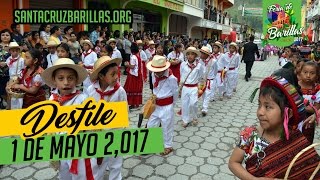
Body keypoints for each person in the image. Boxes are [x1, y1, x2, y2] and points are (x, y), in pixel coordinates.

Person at [229, 76, 320, 179]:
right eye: (259, 105)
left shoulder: (297, 140)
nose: (260, 112)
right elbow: (233, 162)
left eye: (268, 107)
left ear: (288, 113)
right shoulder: (249, 135)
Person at [40, 58, 96, 179]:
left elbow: (91, 124)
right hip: (60, 147)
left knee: (80, 175)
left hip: (78, 148)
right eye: (61, 78)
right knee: (63, 174)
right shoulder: (51, 100)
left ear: (76, 80)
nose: (66, 82)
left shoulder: (82, 99)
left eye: (70, 78)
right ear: (54, 81)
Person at [87, 56, 125, 180]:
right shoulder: (91, 90)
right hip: (97, 133)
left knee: (115, 162)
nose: (116, 77)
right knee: (97, 162)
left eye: (117, 73)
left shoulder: (120, 91)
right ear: (101, 77)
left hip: (115, 132)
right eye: (112, 74)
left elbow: (124, 113)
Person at [146, 55, 178, 156]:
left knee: (166, 126)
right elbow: (154, 88)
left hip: (167, 106)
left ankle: (168, 145)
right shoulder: (153, 75)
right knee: (151, 124)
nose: (156, 72)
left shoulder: (171, 78)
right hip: (156, 105)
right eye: (154, 70)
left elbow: (175, 92)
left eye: (158, 70)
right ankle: (151, 144)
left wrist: (172, 105)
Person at [180, 47, 204, 128]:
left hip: (194, 87)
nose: (190, 56)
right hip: (185, 87)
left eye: (192, 54)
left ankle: (194, 117)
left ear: (195, 56)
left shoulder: (199, 65)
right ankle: (185, 120)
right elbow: (181, 75)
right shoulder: (183, 64)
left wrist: (200, 87)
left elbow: (201, 76)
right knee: (184, 104)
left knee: (193, 104)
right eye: (188, 54)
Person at [298, 61, 320, 144]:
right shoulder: (295, 86)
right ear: (300, 73)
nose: (308, 75)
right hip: (293, 119)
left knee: (306, 141)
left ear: (317, 75)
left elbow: (315, 108)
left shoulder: (317, 89)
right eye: (305, 72)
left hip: (308, 120)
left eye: (312, 73)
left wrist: (300, 107)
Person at [123, 43, 143, 109]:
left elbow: (132, 66)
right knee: (136, 88)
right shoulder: (138, 56)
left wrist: (127, 65)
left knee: (131, 88)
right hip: (138, 74)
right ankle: (136, 103)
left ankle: (132, 103)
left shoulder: (133, 57)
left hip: (133, 75)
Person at [199, 46, 217, 116]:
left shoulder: (213, 61)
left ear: (207, 55)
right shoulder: (200, 61)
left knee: (207, 94)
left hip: (210, 81)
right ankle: (204, 106)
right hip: (202, 81)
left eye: (203, 54)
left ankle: (205, 109)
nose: (201, 55)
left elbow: (215, 70)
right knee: (203, 94)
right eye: (201, 53)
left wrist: (212, 78)